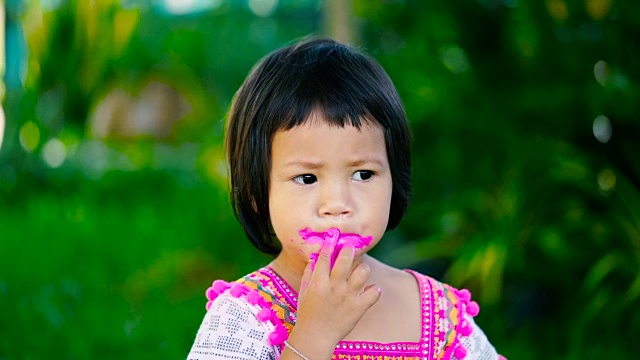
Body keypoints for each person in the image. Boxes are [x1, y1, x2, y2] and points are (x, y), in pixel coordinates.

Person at [187, 37, 505, 360]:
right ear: (257, 191)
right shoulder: (243, 319)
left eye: (363, 174)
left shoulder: (441, 317)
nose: (338, 203)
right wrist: (313, 334)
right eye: (307, 178)